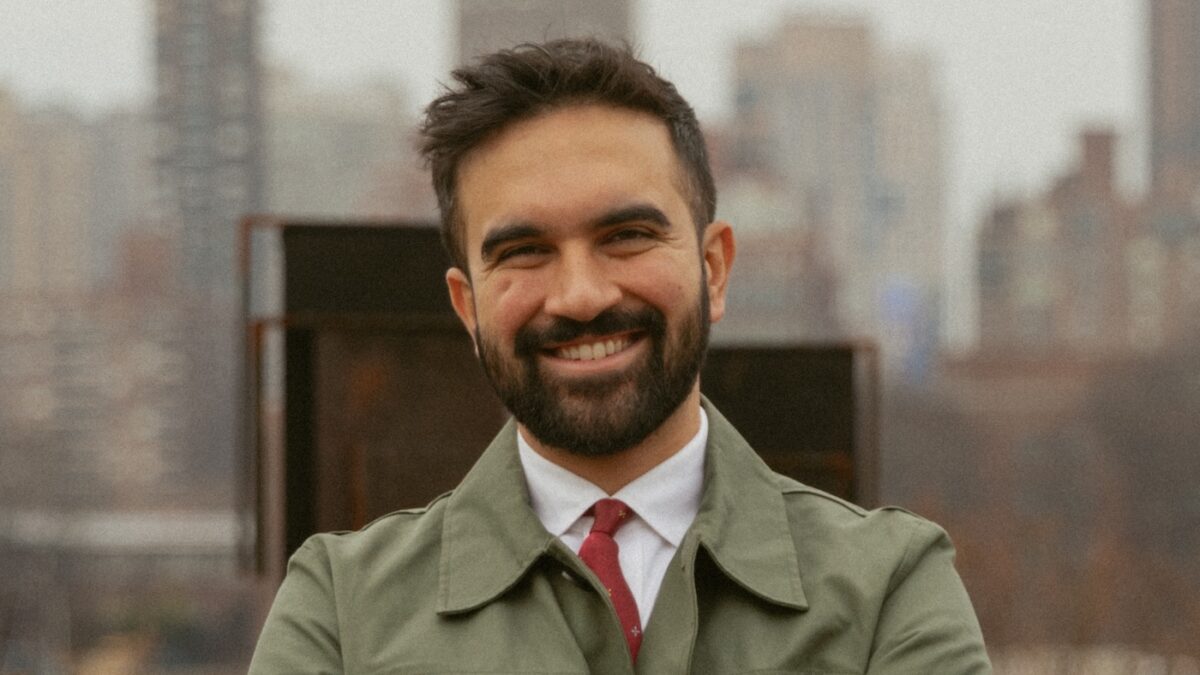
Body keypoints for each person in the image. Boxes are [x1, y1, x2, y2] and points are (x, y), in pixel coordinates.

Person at [249, 38, 991, 674]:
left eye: (627, 236)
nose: (579, 294)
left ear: (715, 267)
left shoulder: (889, 589)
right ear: (468, 307)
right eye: (525, 250)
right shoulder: (341, 613)